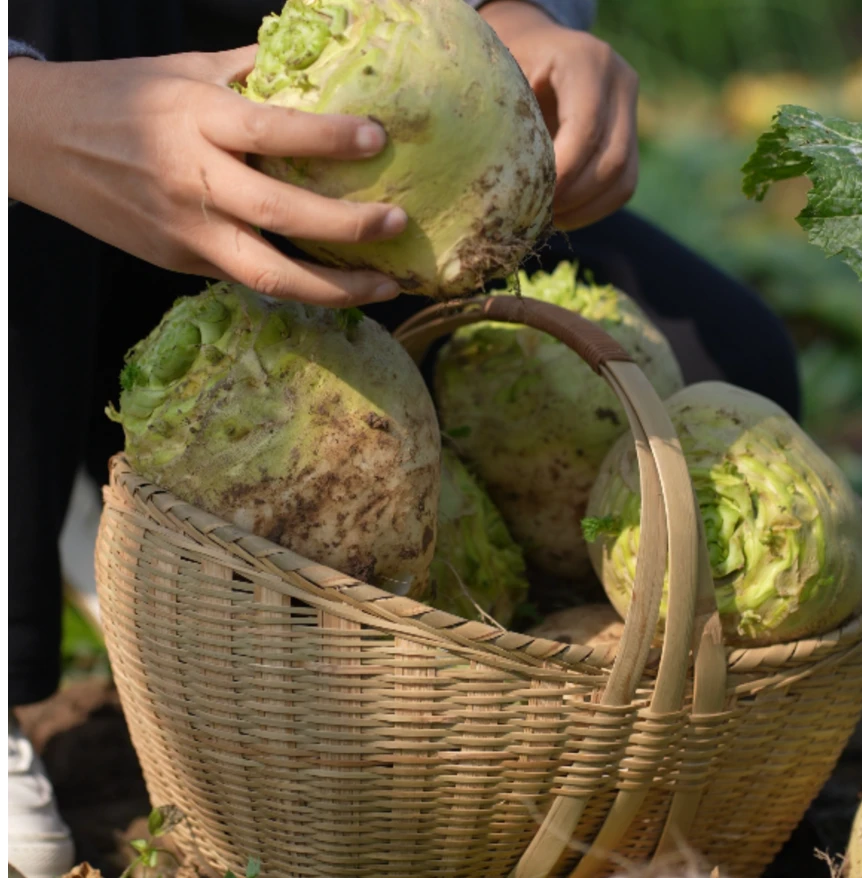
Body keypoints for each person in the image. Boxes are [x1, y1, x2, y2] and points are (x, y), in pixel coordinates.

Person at [7, 1, 801, 873]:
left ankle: (112, 476)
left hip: (356, 198)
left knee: (730, 364)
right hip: (46, 156)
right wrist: (34, 123)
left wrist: (520, 21)